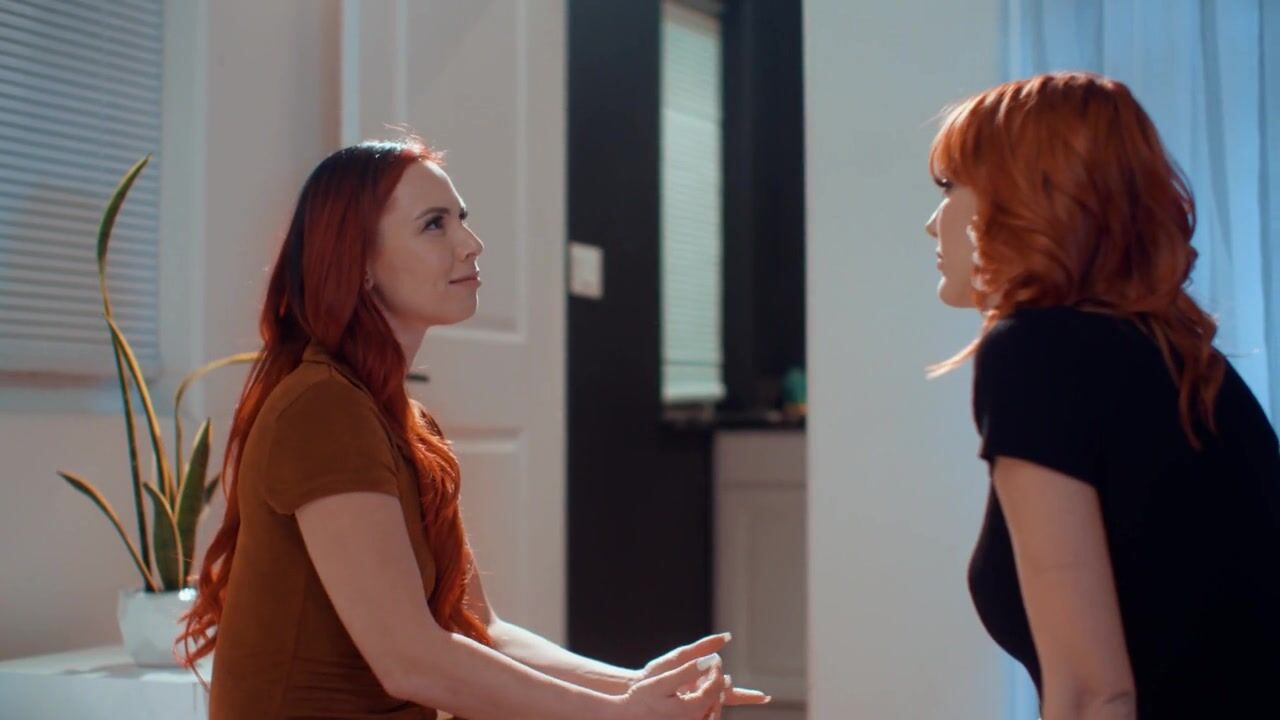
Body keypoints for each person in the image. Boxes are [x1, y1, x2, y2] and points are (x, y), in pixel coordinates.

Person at [178, 139, 769, 719]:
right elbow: (410, 660)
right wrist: (618, 715)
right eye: (434, 225)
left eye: (460, 219)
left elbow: (482, 629)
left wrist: (637, 687)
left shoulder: (402, 421)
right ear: (358, 263)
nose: (472, 244)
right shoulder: (323, 408)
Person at [925, 72, 1280, 718]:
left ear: (1019, 195)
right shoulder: (1185, 361)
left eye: (949, 188)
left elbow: (1096, 693)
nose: (932, 224)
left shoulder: (1035, 351)